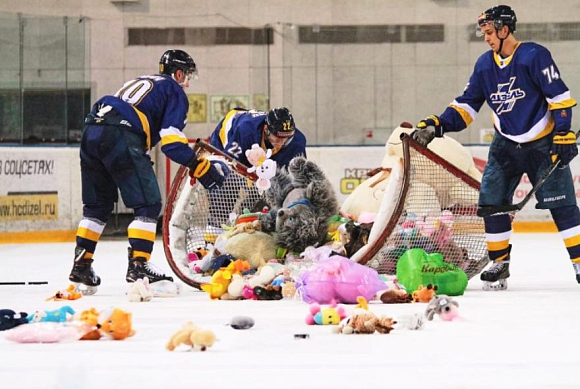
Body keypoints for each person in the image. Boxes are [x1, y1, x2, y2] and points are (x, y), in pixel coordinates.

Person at [412, 5, 578, 290]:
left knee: (562, 205)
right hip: (505, 145)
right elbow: (466, 106)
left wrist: (563, 134)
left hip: (543, 142)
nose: (486, 38)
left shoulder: (534, 56)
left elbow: (559, 97)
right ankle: (499, 264)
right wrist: (437, 124)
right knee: (491, 202)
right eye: (484, 33)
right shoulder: (484, 65)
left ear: (505, 30)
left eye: (490, 32)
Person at [69, 49, 229, 294]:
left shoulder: (139, 81)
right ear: (178, 73)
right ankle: (139, 266)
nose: (187, 83)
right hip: (121, 133)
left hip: (92, 128)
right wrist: (200, 167)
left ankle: (81, 264)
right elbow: (172, 144)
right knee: (148, 204)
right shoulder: (174, 90)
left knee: (96, 206)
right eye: (186, 76)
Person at [209, 107, 307, 168]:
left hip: (253, 132)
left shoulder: (297, 141)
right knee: (226, 177)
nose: (281, 143)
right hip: (229, 130)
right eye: (277, 138)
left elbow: (299, 179)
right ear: (266, 129)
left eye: (287, 138)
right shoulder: (246, 132)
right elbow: (229, 163)